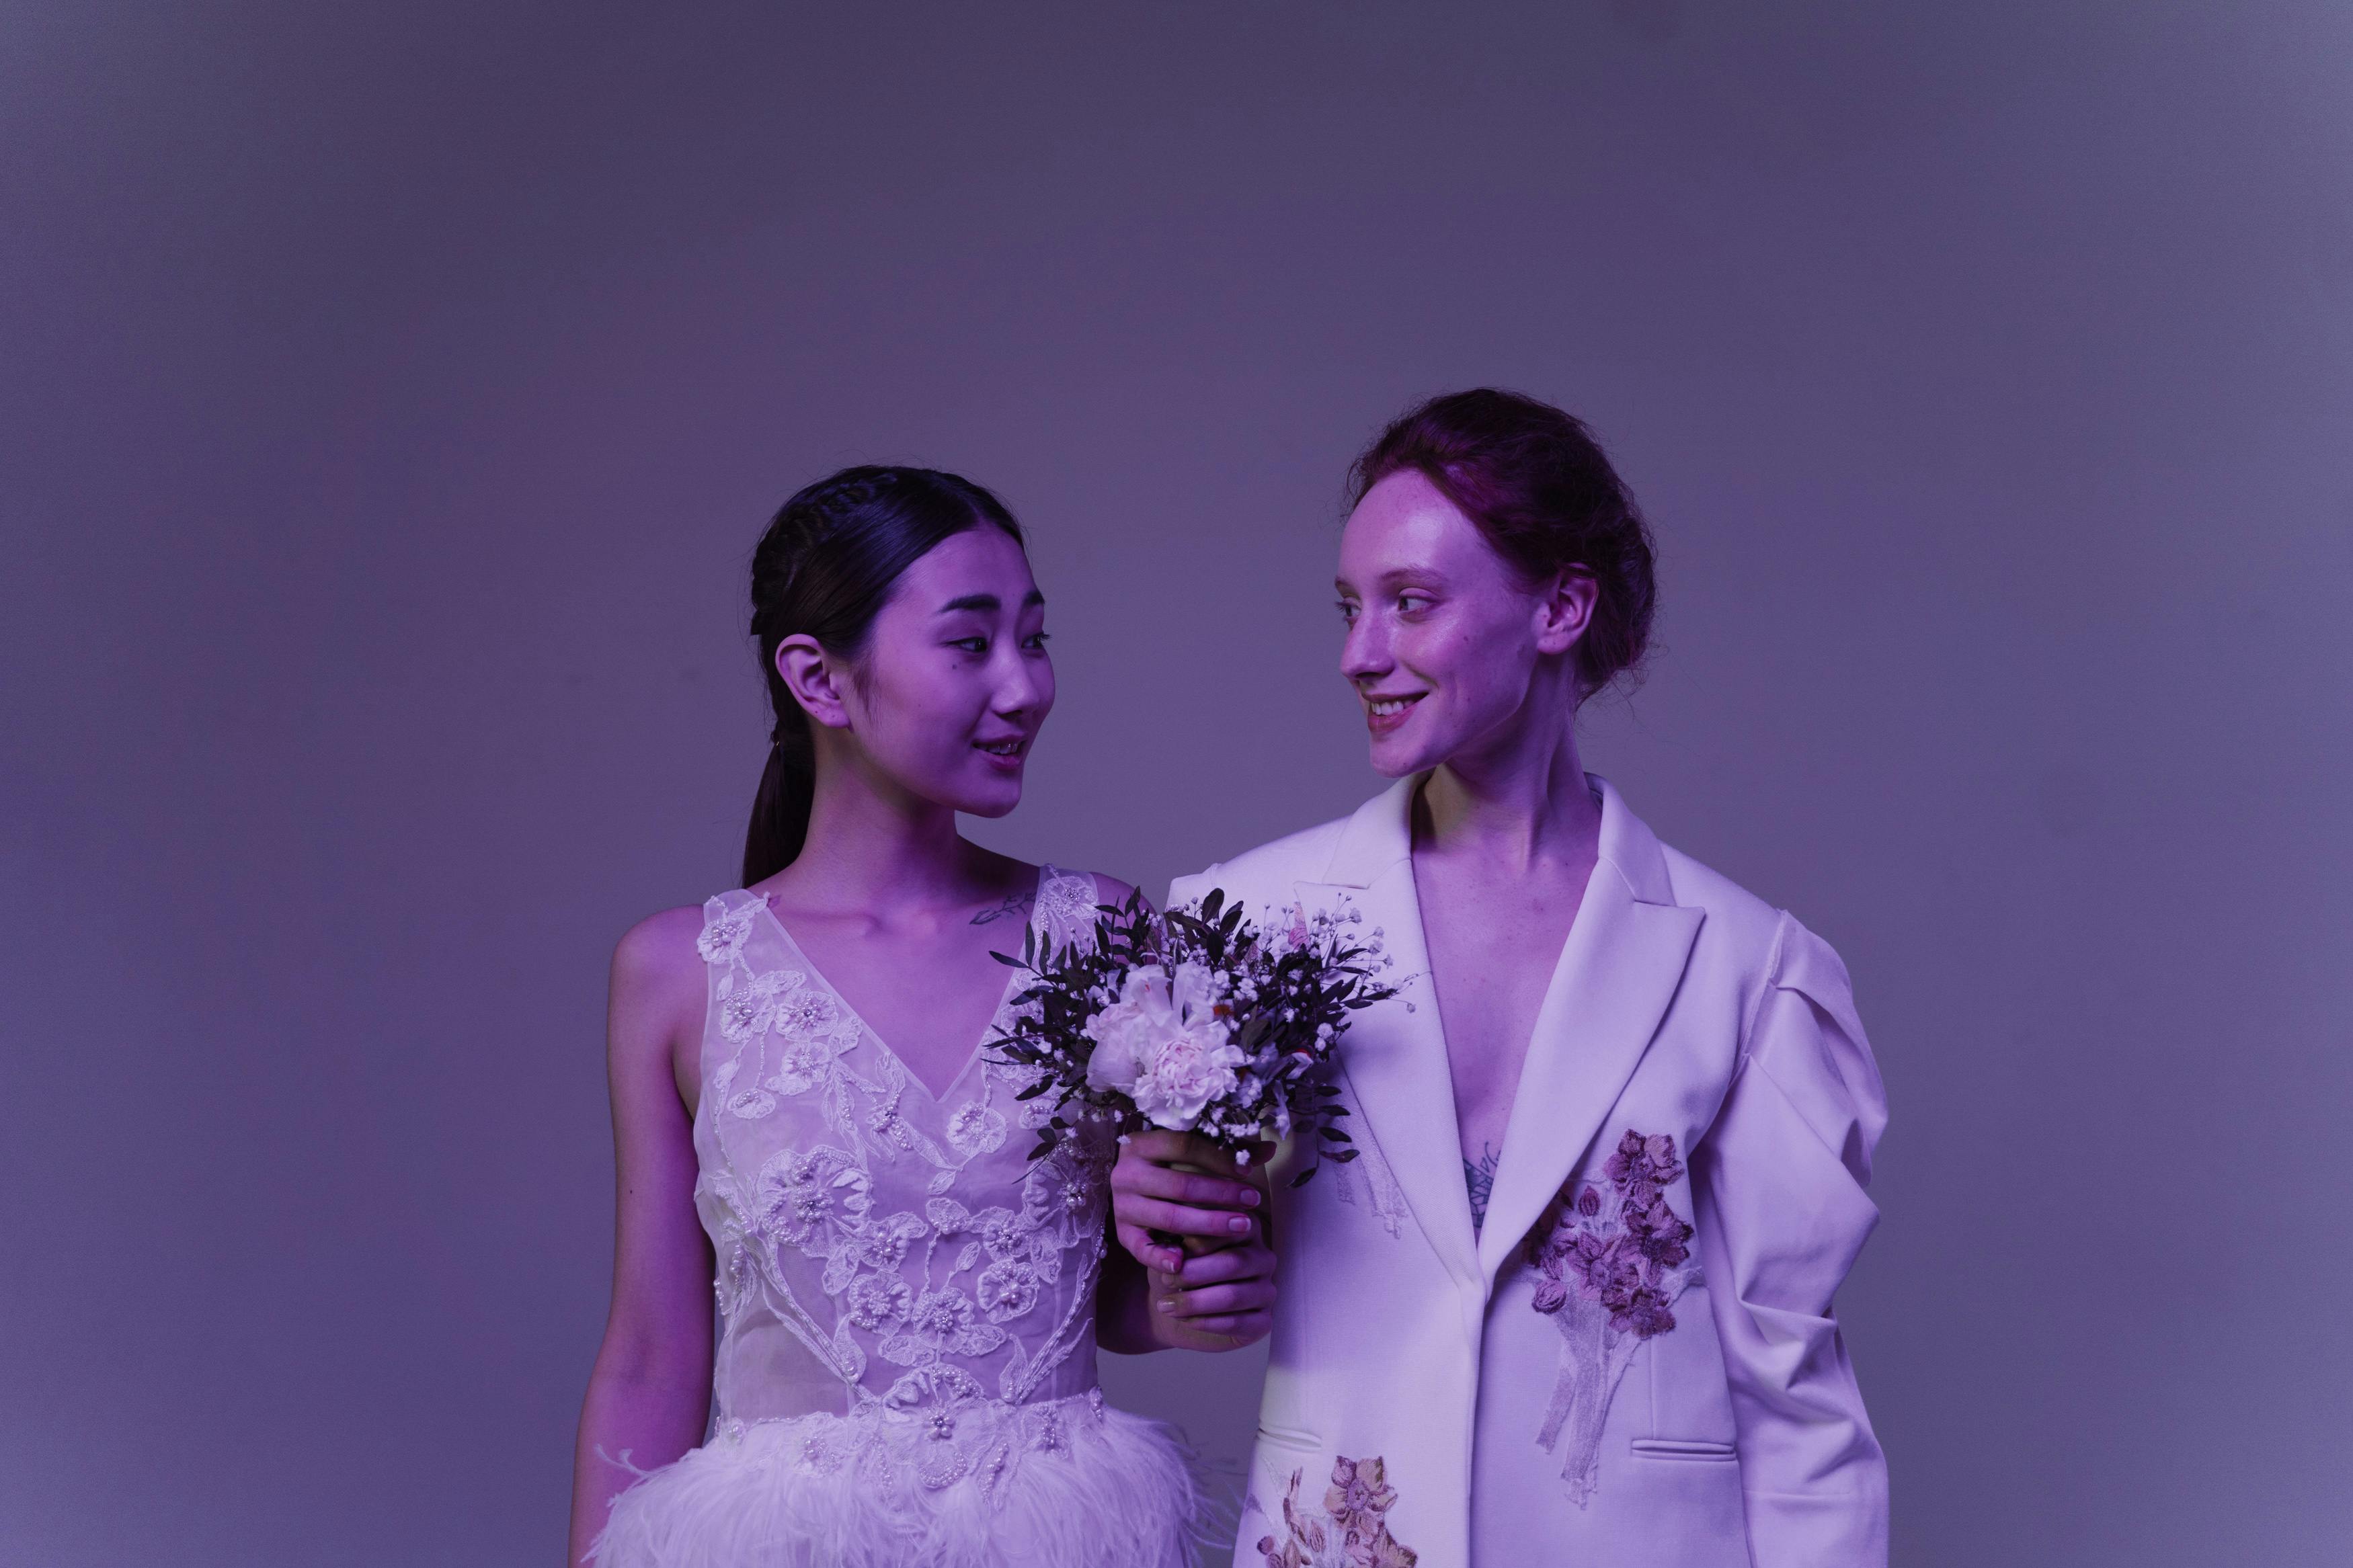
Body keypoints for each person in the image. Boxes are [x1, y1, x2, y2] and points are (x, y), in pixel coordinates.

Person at [1111, 391, 1890, 1567]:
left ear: (1560, 607)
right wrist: (1168, 1236)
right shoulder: (1247, 921)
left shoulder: (1745, 966)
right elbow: (1177, 1288)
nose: (1359, 654)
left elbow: (1794, 1391)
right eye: (1350, 606)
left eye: (1411, 603)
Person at [569, 466, 1275, 1568]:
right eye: (970, 642)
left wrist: (1199, 1278)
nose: (1026, 685)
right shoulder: (680, 972)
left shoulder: (1105, 935)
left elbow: (1126, 1296)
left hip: (1062, 1533)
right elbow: (655, 1354)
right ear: (819, 678)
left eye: (1034, 639)